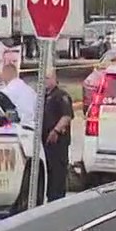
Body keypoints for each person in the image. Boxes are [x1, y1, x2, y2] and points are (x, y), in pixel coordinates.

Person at [40, 70, 74, 202]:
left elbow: (67, 116)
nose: (45, 81)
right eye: (43, 78)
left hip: (58, 143)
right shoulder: (43, 97)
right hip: (45, 143)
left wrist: (56, 131)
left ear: (55, 79)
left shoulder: (61, 96)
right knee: (48, 173)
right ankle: (49, 198)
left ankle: (57, 200)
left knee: (58, 174)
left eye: (47, 78)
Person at [0, 48, 37, 127]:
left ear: (5, 74)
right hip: (32, 127)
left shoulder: (7, 92)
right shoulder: (31, 91)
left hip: (17, 127)